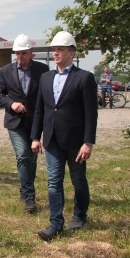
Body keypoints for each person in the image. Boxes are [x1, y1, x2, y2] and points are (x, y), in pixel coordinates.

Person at [31, 31, 98, 241]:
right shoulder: (46, 78)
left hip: (75, 141)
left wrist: (88, 142)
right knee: (53, 182)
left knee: (78, 181)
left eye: (60, 49)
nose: (56, 53)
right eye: (54, 49)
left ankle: (79, 216)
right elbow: (40, 109)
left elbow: (91, 113)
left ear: (72, 52)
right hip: (52, 139)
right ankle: (56, 223)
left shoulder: (84, 78)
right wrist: (35, 137)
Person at [0, 34, 50, 212]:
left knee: (31, 158)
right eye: (17, 53)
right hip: (14, 122)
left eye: (23, 53)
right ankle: (29, 198)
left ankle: (24, 189)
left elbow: (46, 94)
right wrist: (12, 104)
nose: (20, 57)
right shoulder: (5, 71)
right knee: (23, 154)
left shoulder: (42, 70)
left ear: (31, 53)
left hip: (34, 121)